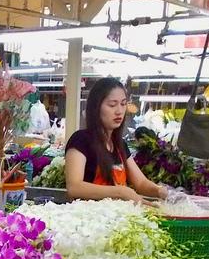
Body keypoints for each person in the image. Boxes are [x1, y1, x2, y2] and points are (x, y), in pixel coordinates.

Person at [66, 77, 168, 205]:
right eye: (112, 105)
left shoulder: (119, 145)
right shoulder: (80, 140)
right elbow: (74, 187)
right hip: (89, 219)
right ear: (96, 108)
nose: (119, 111)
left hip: (117, 218)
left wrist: (159, 191)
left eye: (123, 104)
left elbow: (141, 183)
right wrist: (121, 192)